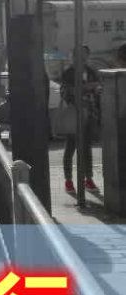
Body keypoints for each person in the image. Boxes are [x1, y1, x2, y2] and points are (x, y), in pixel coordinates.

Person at [60, 46, 99, 194]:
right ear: (73, 56)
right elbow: (66, 91)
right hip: (74, 113)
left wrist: (94, 89)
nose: (82, 58)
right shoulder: (68, 73)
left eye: (85, 55)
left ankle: (88, 178)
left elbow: (97, 88)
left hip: (89, 113)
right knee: (70, 147)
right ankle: (68, 180)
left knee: (87, 148)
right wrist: (84, 87)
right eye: (78, 55)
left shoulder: (91, 71)